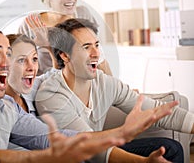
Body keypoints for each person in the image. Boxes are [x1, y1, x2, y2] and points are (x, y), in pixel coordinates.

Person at [0, 4, 179, 162]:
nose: (7, 62)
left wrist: (121, 133)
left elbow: (56, 136)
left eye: (9, 54)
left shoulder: (4, 106)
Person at [34, 18, 194, 163]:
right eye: (86, 47)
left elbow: (156, 111)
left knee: (170, 149)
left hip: (99, 150)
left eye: (96, 45)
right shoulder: (51, 95)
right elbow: (87, 147)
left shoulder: (104, 83)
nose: (96, 54)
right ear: (65, 56)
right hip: (76, 158)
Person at [18, 0, 112, 76]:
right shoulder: (30, 25)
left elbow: (100, 59)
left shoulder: (82, 14)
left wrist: (119, 90)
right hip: (46, 88)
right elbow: (22, 71)